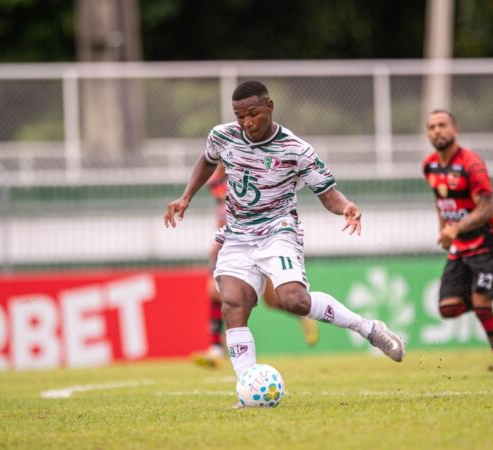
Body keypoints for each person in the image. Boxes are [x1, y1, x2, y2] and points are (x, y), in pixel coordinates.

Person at [165, 80, 404, 394]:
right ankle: (248, 388)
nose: (247, 122)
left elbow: (327, 193)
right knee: (233, 305)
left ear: (270, 106)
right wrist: (186, 197)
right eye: (240, 116)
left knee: (293, 300)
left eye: (253, 114)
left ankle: (367, 328)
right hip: (237, 234)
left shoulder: (296, 150)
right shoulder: (223, 135)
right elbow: (208, 159)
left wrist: (346, 207)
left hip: (278, 231)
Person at [422, 110, 493, 376]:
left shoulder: (471, 164)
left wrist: (455, 228)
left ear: (455, 130)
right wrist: (443, 228)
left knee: (481, 306)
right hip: (460, 246)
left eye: (442, 125)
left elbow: (487, 208)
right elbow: (440, 200)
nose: (437, 131)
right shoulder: (430, 166)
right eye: (432, 127)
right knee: (447, 308)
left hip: (487, 245)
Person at [192, 165, 319, 368]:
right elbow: (222, 213)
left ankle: (302, 316)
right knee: (214, 292)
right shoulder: (215, 182)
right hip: (232, 242)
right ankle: (216, 349)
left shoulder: (253, 173)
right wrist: (219, 239)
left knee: (273, 301)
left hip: (261, 241)